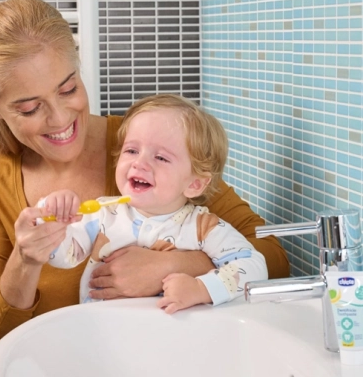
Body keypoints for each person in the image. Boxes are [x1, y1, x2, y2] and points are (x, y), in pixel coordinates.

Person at [0, 0, 290, 353]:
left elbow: (273, 259)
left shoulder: (147, 144)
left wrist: (171, 267)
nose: (59, 118)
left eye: (68, 89)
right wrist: (27, 260)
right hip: (58, 372)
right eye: (29, 108)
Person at [39, 94, 267, 313]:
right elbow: (63, 257)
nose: (139, 163)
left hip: (172, 335)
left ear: (195, 184)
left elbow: (255, 267)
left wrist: (201, 289)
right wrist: (51, 218)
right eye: (131, 150)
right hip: (104, 333)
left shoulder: (204, 229)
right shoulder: (103, 214)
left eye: (160, 157)